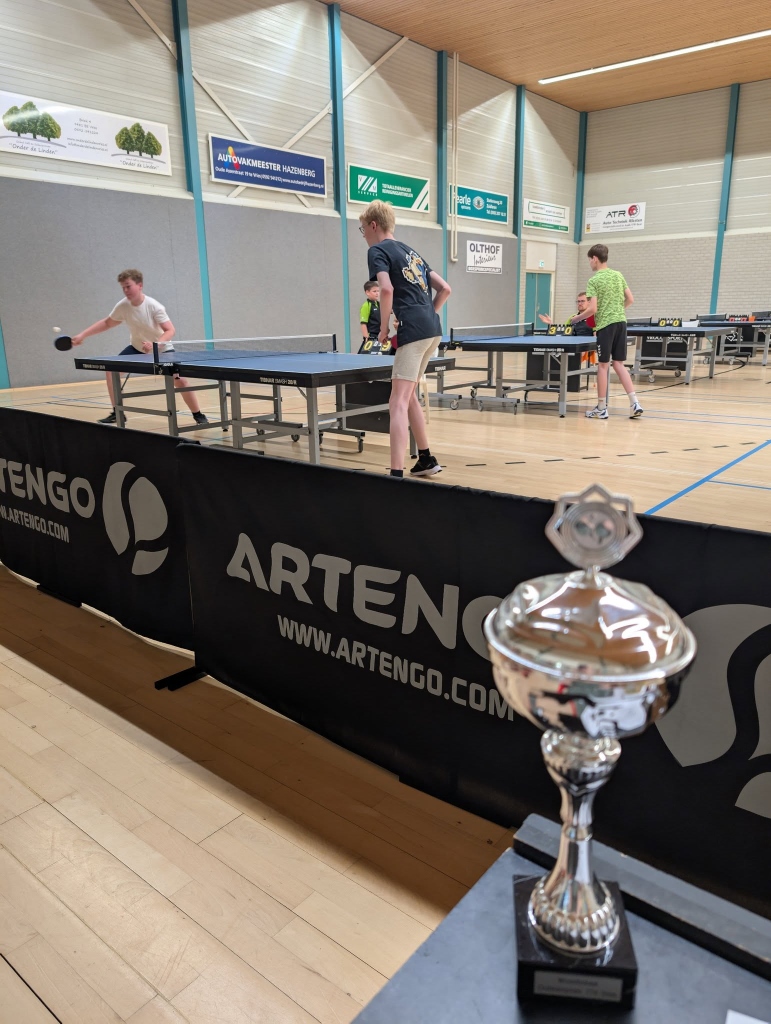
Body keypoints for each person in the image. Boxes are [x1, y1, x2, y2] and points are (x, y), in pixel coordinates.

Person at [360, 200, 451, 478]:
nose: (363, 235)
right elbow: (445, 289)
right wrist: (425, 315)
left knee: (396, 402)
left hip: (414, 332)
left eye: (363, 229)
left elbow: (386, 289)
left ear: (373, 225)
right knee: (409, 396)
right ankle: (425, 459)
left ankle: (396, 474)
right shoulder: (411, 252)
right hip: (433, 330)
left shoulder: (377, 250)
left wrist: (383, 328)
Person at [71, 269, 209, 427]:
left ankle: (198, 414)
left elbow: (170, 330)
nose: (125, 290)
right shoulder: (123, 306)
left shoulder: (154, 306)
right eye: (123, 287)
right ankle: (117, 412)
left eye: (128, 286)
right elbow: (107, 323)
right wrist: (83, 335)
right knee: (111, 371)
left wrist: (156, 344)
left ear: (140, 285)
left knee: (180, 381)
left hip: (162, 350)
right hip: (137, 348)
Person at [571, 245, 643, 419]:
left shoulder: (594, 280)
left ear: (595, 258)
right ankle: (635, 403)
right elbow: (630, 299)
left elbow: (592, 309)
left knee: (603, 366)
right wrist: (617, 311)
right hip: (621, 323)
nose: (590, 263)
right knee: (619, 364)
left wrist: (576, 319)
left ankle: (602, 408)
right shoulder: (618, 275)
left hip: (606, 326)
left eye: (589, 260)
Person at [359, 280, 381, 347]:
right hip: (371, 335)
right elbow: (363, 323)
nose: (377, 293)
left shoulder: (379, 304)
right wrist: (366, 336)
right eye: (374, 291)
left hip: (380, 334)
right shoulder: (366, 306)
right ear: (367, 292)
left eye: (378, 291)